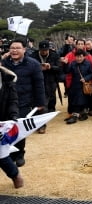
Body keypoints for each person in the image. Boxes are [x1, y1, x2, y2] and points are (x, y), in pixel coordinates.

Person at [1, 38, 45, 167]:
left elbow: (39, 84)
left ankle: (19, 154)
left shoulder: (33, 64)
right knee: (5, 129)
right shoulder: (3, 63)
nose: (14, 50)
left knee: (18, 129)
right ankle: (6, 155)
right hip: (5, 101)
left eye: (17, 48)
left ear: (24, 49)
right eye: (12, 48)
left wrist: (40, 102)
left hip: (24, 101)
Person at [29, 40, 61, 133]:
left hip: (50, 82)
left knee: (45, 103)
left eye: (46, 50)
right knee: (37, 103)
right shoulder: (33, 56)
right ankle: (39, 124)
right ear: (39, 49)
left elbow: (59, 68)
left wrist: (50, 67)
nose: (44, 52)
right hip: (36, 82)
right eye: (42, 50)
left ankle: (42, 123)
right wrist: (38, 67)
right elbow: (29, 67)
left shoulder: (54, 55)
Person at [0, 64, 24, 188]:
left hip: (3, 122)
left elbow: (13, 101)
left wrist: (14, 116)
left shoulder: (8, 81)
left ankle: (15, 175)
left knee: (1, 154)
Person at [63, 49, 92, 124]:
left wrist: (86, 78)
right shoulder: (72, 63)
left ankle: (75, 116)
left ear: (84, 56)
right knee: (73, 100)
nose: (79, 58)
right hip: (74, 84)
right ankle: (83, 114)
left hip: (84, 85)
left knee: (80, 100)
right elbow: (67, 71)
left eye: (80, 56)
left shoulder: (88, 63)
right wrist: (65, 64)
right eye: (77, 57)